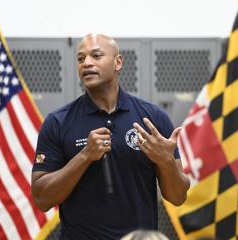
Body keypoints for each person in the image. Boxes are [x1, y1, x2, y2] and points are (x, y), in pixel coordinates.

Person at [31, 33, 190, 240]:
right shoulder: (58, 122)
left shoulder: (153, 118)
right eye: (80, 59)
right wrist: (85, 156)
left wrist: (166, 161)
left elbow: (178, 197)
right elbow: (42, 199)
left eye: (96, 56)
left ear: (118, 62)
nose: (86, 63)